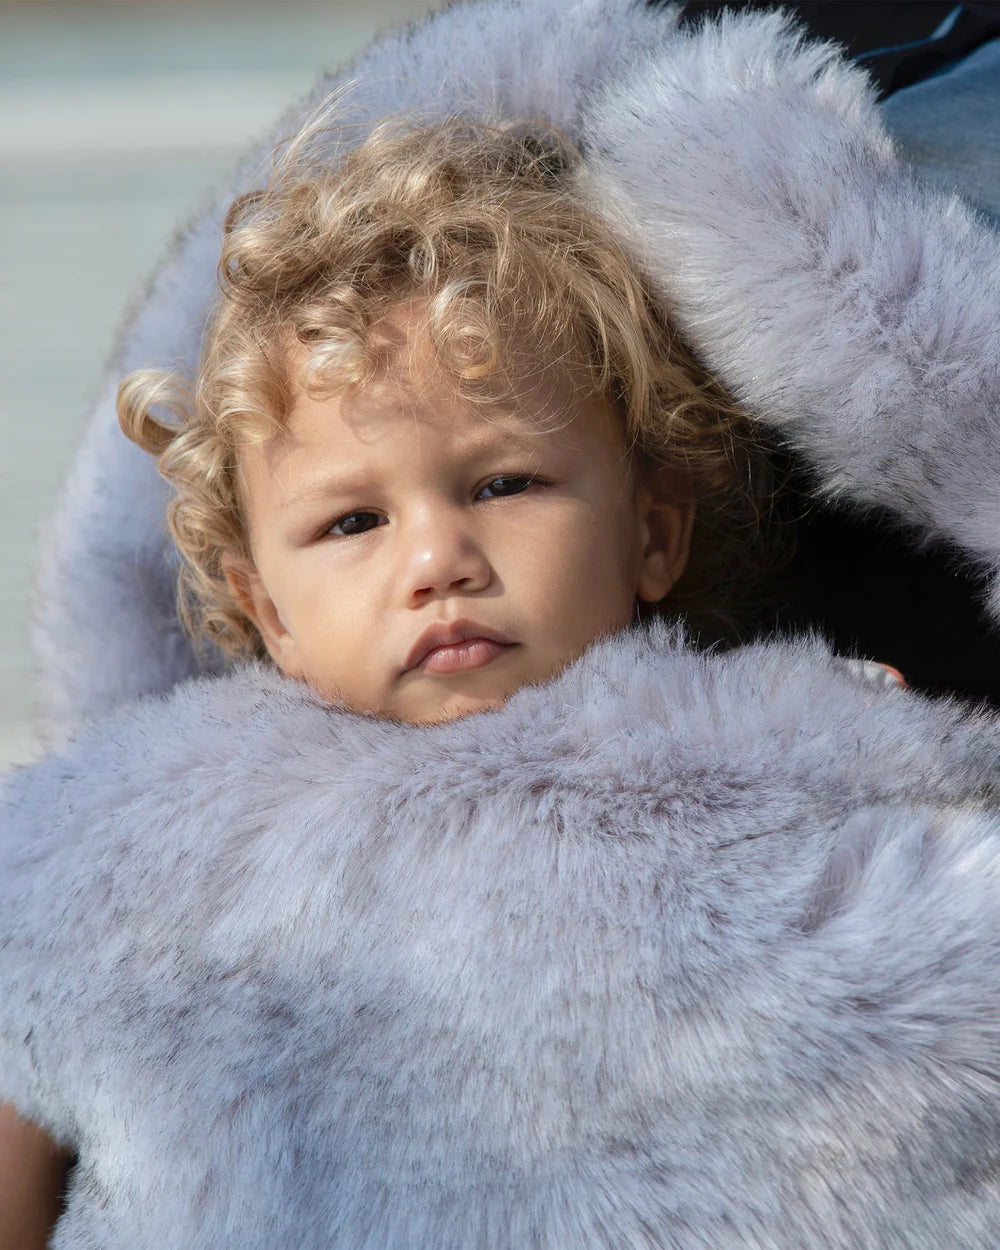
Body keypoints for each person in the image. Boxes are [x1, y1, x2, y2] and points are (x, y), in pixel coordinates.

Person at [0, 116, 775, 1248]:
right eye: (354, 519)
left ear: (652, 532)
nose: (436, 561)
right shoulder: (162, 824)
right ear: (268, 610)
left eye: (504, 483)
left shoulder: (765, 746)